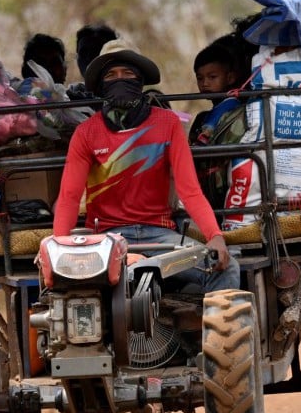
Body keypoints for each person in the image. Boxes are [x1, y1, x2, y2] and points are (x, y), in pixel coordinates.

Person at [53, 39, 238, 292]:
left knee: (226, 267)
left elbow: (190, 191)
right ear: (101, 84)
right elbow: (69, 197)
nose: (120, 79)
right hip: (109, 239)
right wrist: (58, 247)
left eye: (128, 73)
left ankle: (205, 316)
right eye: (111, 75)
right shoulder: (86, 133)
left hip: (161, 237)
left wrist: (215, 236)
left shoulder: (168, 123)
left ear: (140, 79)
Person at [189, 42, 247, 145]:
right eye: (200, 78)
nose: (205, 83)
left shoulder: (233, 109)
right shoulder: (204, 116)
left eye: (212, 77)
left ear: (230, 78)